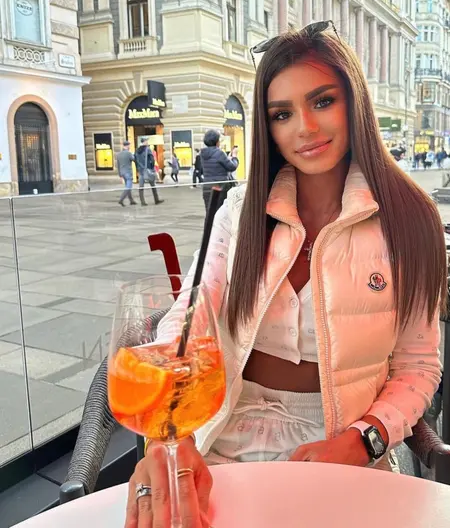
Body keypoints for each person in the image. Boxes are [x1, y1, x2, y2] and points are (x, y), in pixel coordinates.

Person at [126, 26, 445, 525]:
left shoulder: (410, 219)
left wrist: (364, 439)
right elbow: (191, 317)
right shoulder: (240, 210)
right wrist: (168, 434)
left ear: (354, 103)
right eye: (282, 114)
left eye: (323, 101)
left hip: (341, 436)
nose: (305, 128)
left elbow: (417, 366)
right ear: (267, 126)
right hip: (225, 428)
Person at [200, 129, 238, 210]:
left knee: (210, 212)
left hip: (207, 186)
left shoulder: (203, 153)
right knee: (221, 212)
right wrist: (234, 157)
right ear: (217, 141)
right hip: (220, 186)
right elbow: (232, 167)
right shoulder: (219, 153)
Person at [135, 137, 164, 206]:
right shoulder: (147, 149)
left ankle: (142, 202)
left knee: (141, 186)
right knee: (153, 185)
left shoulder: (137, 150)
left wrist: (138, 168)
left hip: (141, 171)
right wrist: (152, 168)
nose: (147, 142)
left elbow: (135, 160)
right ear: (144, 142)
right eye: (147, 141)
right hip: (148, 170)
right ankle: (156, 200)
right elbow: (152, 159)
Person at [116, 140, 136, 207]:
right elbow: (134, 159)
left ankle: (131, 200)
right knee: (128, 187)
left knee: (127, 186)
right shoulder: (128, 153)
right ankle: (121, 199)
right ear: (127, 146)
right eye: (129, 145)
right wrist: (133, 154)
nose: (129, 146)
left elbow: (118, 165)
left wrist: (120, 174)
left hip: (122, 172)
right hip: (128, 172)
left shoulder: (119, 154)